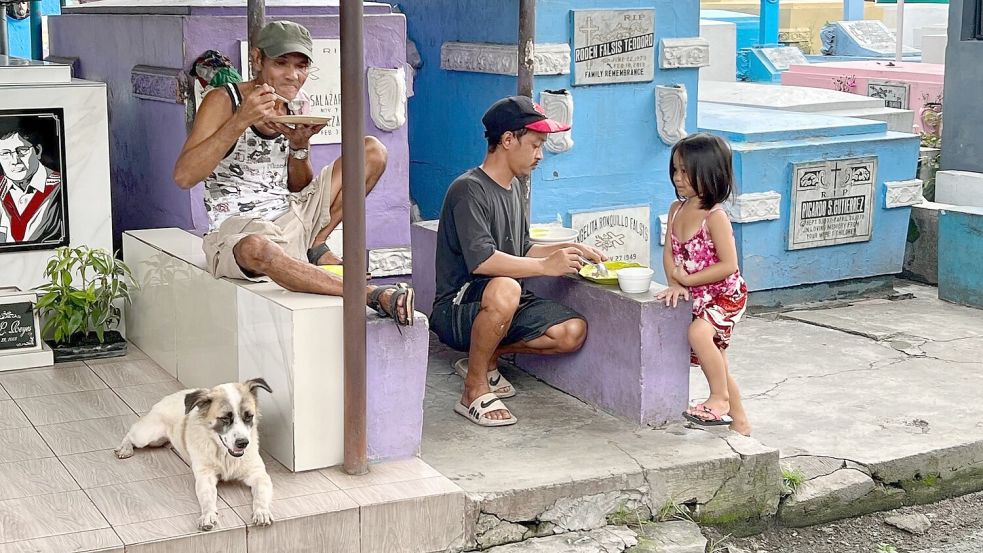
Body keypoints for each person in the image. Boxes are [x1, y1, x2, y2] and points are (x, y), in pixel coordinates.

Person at [173, 21, 413, 324]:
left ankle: (314, 245)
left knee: (372, 151)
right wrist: (240, 121)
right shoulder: (224, 100)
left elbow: (299, 187)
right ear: (258, 60)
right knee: (258, 249)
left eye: (301, 66)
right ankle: (369, 294)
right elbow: (183, 176)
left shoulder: (296, 104)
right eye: (281, 63)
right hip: (240, 228)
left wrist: (300, 148)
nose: (292, 75)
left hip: (293, 215)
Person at [431, 95, 606, 427]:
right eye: (535, 144)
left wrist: (568, 249)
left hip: (504, 300)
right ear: (507, 140)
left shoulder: (514, 189)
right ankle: (474, 388)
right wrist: (544, 267)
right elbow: (482, 261)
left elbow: (521, 248)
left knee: (571, 332)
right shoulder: (468, 190)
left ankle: (484, 358)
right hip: (458, 306)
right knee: (505, 289)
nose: (540, 155)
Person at [655, 133, 750, 436]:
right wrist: (675, 283)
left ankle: (719, 399)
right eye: (675, 170)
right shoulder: (676, 209)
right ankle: (741, 425)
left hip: (726, 296)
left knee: (698, 332)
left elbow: (728, 265)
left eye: (685, 171)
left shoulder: (715, 216)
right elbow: (669, 253)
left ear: (709, 172)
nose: (678, 177)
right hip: (698, 297)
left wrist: (688, 279)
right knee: (717, 360)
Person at [0, 121, 64, 244]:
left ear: (38, 151)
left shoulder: (60, 188)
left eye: (22, 150)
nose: (15, 161)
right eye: (5, 153)